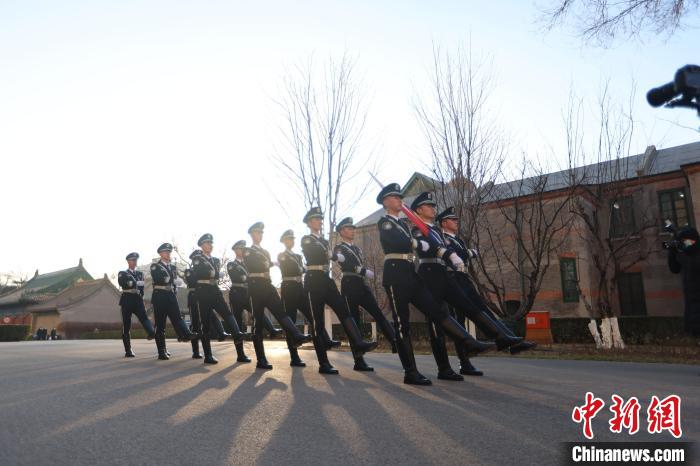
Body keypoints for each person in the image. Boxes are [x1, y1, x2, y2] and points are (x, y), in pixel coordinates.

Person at [376, 183, 494, 385]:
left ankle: (469, 342)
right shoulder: (384, 222)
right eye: (395, 197)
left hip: (410, 272)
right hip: (394, 274)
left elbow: (416, 241)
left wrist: (425, 244)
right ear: (386, 201)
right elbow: (395, 241)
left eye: (400, 197)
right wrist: (416, 243)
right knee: (403, 325)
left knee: (436, 311)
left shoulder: (404, 224)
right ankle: (410, 372)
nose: (399, 200)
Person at [437, 206, 536, 376]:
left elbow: (462, 253)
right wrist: (469, 252)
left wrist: (466, 253)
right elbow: (458, 254)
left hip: (463, 279)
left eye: (456, 220)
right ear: (444, 223)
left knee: (484, 311)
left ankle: (509, 341)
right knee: (459, 323)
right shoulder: (443, 239)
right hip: (453, 280)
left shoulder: (457, 239)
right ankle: (465, 362)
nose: (456, 222)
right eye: (453, 220)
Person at [302, 207, 378, 375]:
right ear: (309, 222)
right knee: (318, 323)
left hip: (326, 279)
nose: (320, 221)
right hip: (313, 280)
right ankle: (324, 363)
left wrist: (331, 254)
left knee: (343, 310)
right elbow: (314, 253)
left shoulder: (323, 241)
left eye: (321, 218)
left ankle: (358, 343)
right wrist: (332, 255)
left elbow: (327, 254)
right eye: (316, 219)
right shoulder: (306, 239)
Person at [244, 223, 312, 369]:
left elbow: (266, 264)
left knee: (281, 312)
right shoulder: (247, 251)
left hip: (268, 285)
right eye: (257, 233)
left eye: (261, 233)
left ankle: (296, 334)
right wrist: (268, 263)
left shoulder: (266, 251)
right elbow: (253, 265)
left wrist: (267, 263)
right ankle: (261, 359)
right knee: (258, 324)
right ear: (251, 235)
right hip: (255, 286)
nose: (260, 235)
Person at [333, 217, 398, 372]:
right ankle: (359, 361)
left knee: (377, 312)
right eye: (349, 228)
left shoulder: (357, 249)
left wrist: (362, 273)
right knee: (355, 321)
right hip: (349, 284)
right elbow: (343, 262)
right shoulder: (340, 247)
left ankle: (395, 340)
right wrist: (361, 270)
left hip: (361, 284)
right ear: (342, 231)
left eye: (353, 228)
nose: (352, 231)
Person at [190, 234, 247, 365]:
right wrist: (215, 274)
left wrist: (214, 275)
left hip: (215, 291)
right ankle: (208, 355)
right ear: (202, 246)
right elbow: (200, 272)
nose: (210, 245)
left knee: (227, 313)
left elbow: (210, 272)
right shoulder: (197, 259)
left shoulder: (216, 260)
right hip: (203, 292)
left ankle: (237, 333)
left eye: (211, 243)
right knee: (205, 324)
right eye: (207, 243)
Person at [278, 229, 319, 367]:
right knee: (291, 321)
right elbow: (291, 268)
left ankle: (322, 342)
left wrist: (303, 269)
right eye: (288, 239)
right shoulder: (281, 255)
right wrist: (303, 269)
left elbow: (302, 268)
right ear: (284, 241)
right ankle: (294, 357)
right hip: (288, 287)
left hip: (299, 288)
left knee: (313, 316)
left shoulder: (298, 256)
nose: (291, 241)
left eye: (292, 239)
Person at [150, 243, 197, 360]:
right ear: (160, 254)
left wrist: (175, 288)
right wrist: (172, 280)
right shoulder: (155, 266)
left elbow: (175, 281)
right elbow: (159, 278)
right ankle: (162, 351)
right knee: (160, 325)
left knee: (178, 317)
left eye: (169, 252)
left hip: (171, 296)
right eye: (165, 252)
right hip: (159, 297)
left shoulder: (173, 267)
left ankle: (186, 334)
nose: (167, 254)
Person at [117, 252, 156, 358]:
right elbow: (123, 283)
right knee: (126, 325)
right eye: (132, 260)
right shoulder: (122, 273)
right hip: (127, 300)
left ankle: (151, 332)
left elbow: (142, 288)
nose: (134, 262)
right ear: (128, 261)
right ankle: (128, 350)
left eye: (135, 260)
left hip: (138, 300)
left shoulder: (140, 274)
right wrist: (134, 284)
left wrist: (140, 294)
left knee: (144, 318)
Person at [668, 226, 700, 339]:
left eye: (685, 241)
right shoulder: (687, 255)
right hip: (692, 312)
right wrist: (673, 251)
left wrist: (681, 253)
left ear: (693, 240)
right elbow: (674, 268)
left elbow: (694, 264)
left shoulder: (694, 256)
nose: (684, 244)